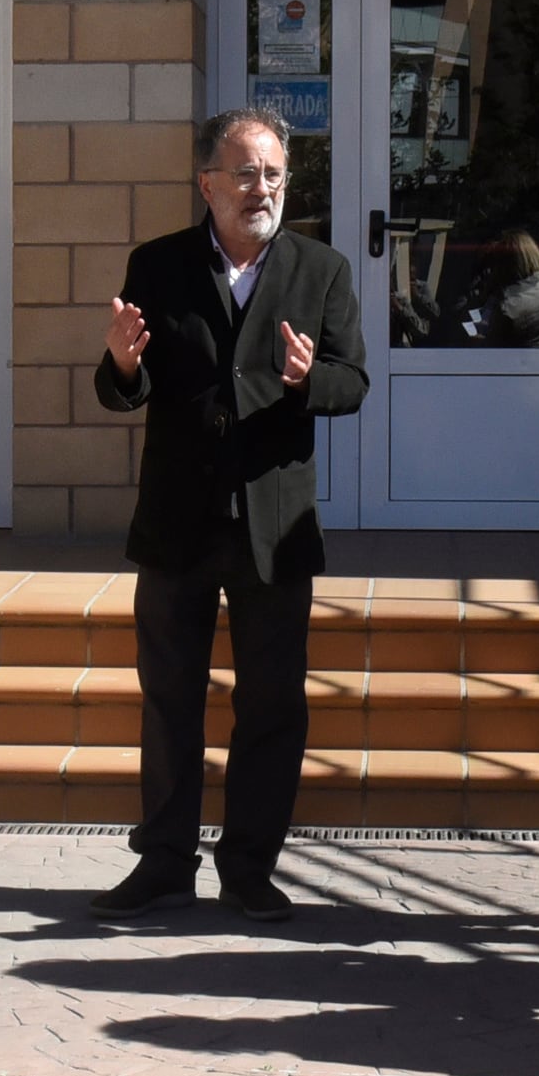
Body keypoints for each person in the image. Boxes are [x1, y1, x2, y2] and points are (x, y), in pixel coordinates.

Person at [92, 107, 369, 925]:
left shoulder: (320, 270)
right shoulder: (159, 264)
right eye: (245, 173)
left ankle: (249, 867)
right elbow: (124, 390)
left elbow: (351, 385)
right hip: (178, 519)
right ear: (206, 181)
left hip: (272, 527)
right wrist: (119, 364)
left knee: (272, 703)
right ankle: (165, 864)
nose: (261, 189)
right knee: (169, 697)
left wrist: (302, 380)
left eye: (274, 174)